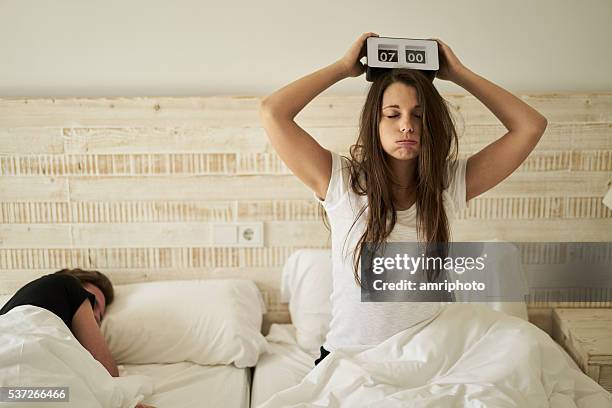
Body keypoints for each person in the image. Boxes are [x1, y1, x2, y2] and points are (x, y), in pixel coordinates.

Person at [259, 32, 547, 366]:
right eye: (393, 115)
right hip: (352, 360)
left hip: (428, 360)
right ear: (375, 122)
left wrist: (458, 74)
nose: (407, 126)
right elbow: (272, 112)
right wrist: (341, 68)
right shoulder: (342, 183)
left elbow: (530, 126)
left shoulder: (447, 185)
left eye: (419, 115)